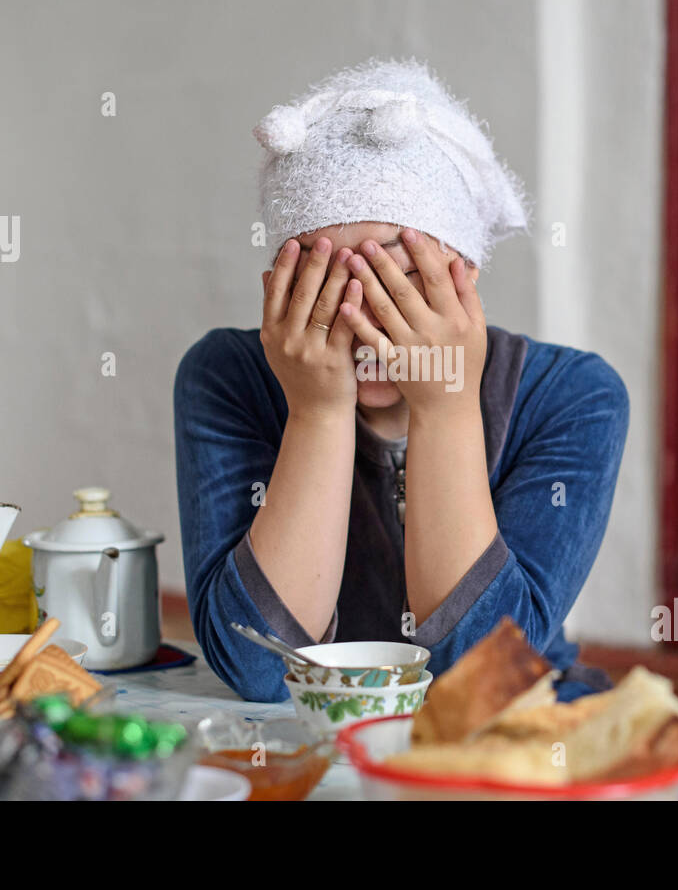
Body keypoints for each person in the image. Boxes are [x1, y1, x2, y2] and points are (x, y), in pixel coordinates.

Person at [174, 59, 628, 703]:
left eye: (400, 282)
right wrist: (317, 413)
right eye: (324, 288)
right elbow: (258, 668)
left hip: (522, 728)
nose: (366, 325)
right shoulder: (226, 376)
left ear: (463, 273)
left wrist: (445, 407)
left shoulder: (574, 395)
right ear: (278, 284)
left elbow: (480, 673)